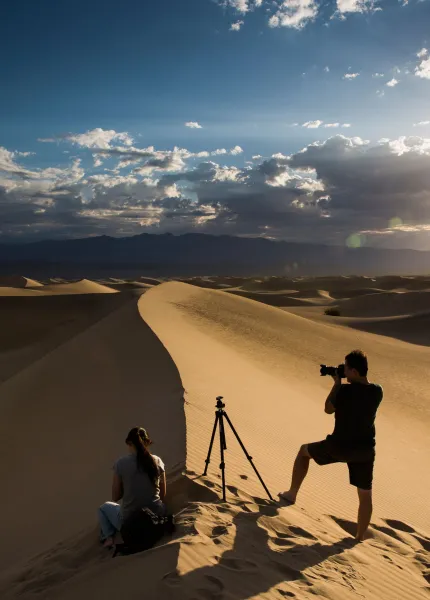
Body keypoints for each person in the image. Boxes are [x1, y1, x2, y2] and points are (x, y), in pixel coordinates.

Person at [279, 350, 383, 542]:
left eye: (346, 367)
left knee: (303, 452)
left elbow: (328, 408)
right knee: (365, 494)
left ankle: (291, 494)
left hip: (339, 446)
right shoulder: (377, 391)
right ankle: (359, 536)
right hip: (365, 451)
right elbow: (362, 392)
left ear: (353, 370)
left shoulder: (343, 391)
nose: (343, 370)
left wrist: (336, 384)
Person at [98, 427, 167, 548]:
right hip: (156, 514)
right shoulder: (158, 461)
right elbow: (162, 494)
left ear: (129, 443)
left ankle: (108, 537)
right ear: (147, 442)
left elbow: (115, 497)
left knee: (104, 508)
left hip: (130, 520)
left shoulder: (121, 463)